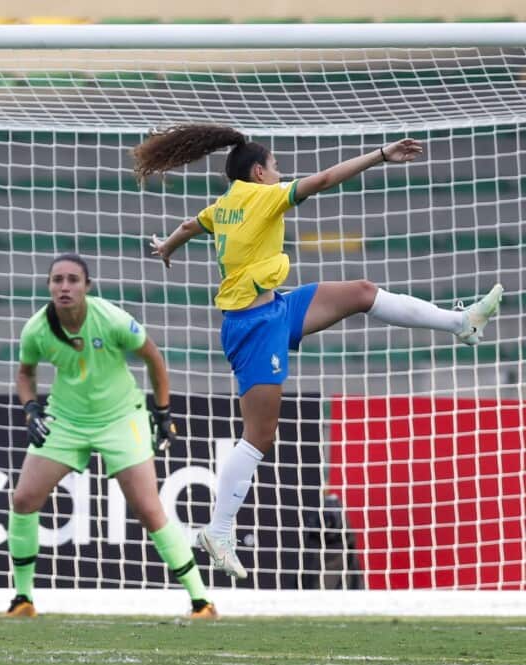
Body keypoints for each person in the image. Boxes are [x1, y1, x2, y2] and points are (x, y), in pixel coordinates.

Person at [137, 125, 504, 579]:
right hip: (253, 329)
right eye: (275, 167)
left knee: (362, 292)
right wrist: (381, 155)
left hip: (277, 307)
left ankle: (460, 323)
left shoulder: (226, 205)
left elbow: (193, 224)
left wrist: (167, 246)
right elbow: (327, 178)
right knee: (258, 436)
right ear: (258, 171)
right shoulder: (264, 196)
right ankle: (219, 529)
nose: (280, 173)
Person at [5, 253, 216, 619]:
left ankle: (202, 601)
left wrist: (163, 413)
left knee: (149, 511)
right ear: (49, 286)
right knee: (23, 499)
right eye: (57, 280)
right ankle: (22, 600)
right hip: (67, 420)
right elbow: (25, 373)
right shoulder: (37, 328)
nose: (64, 286)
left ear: (87, 286)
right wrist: (31, 409)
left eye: (73, 279)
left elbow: (154, 358)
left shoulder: (113, 319)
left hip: (121, 419)